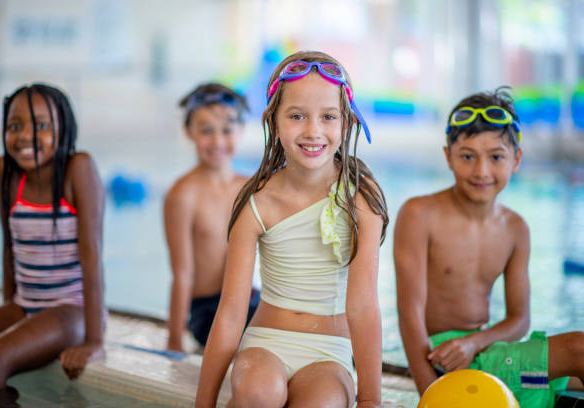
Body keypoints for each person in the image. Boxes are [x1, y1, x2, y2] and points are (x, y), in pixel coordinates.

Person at [195, 51, 388, 408]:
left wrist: (371, 400)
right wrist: (202, 404)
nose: (313, 130)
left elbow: (362, 306)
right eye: (297, 116)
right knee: (258, 392)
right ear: (275, 122)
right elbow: (232, 311)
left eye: (328, 117)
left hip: (328, 352)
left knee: (322, 403)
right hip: (265, 343)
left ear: (345, 125)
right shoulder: (257, 200)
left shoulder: (360, 196)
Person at [394, 88, 584, 408]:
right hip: (445, 360)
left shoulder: (515, 229)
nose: (481, 171)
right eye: (468, 156)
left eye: (496, 157)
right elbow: (409, 312)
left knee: (573, 380)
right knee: (579, 350)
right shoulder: (419, 214)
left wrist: (473, 342)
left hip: (482, 352)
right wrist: (432, 395)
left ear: (516, 159)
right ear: (448, 157)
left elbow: (518, 319)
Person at [0, 84, 105, 396]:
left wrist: (94, 341)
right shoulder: (5, 170)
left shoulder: (78, 168)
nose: (25, 136)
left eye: (41, 125)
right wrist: (8, 314)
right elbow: (10, 247)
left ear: (64, 128)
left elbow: (92, 258)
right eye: (14, 126)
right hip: (24, 304)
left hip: (69, 310)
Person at [164, 83, 259, 351]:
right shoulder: (183, 195)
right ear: (189, 132)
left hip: (249, 301)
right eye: (206, 130)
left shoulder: (251, 188)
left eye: (227, 130)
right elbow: (182, 274)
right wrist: (173, 341)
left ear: (241, 131)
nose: (217, 141)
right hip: (208, 309)